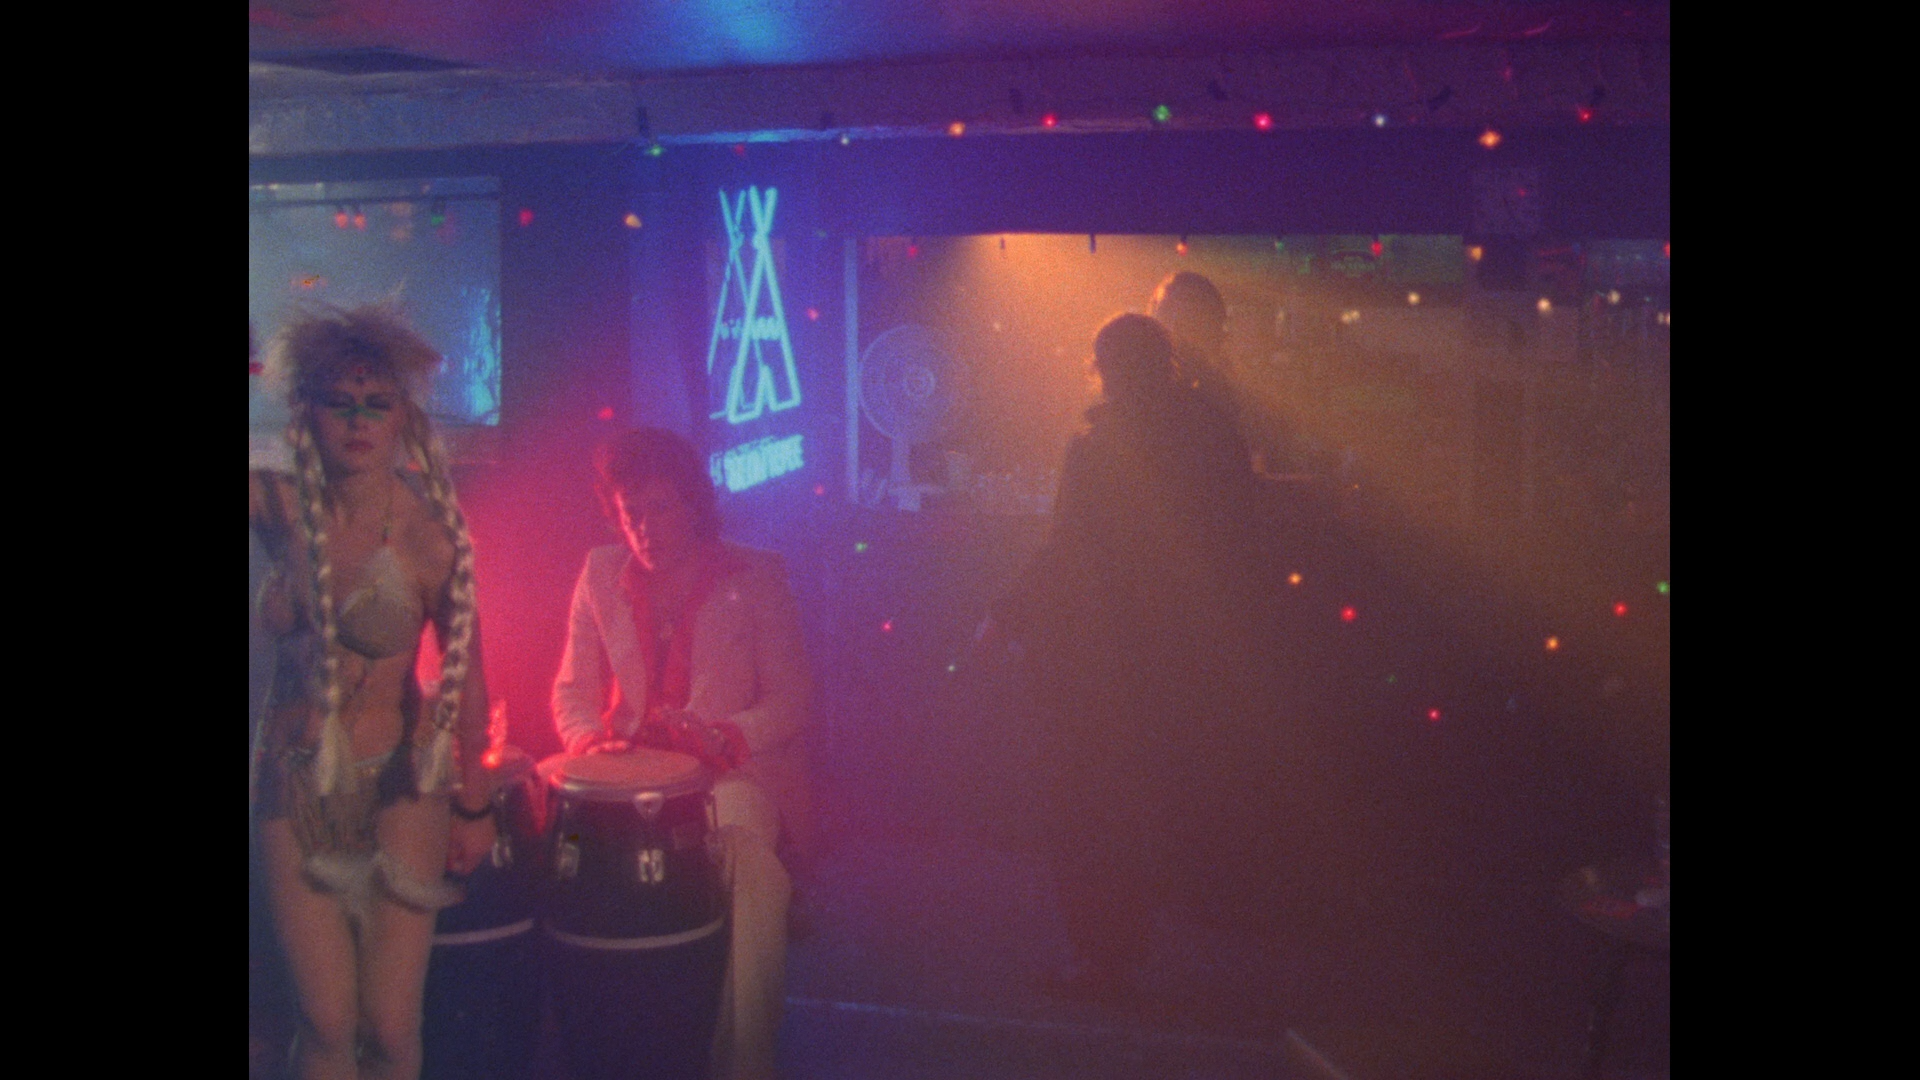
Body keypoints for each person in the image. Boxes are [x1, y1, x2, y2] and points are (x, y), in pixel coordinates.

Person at [250, 304, 499, 1080]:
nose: (358, 423)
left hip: (402, 786)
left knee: (389, 1025)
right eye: (339, 403)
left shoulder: (431, 535)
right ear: (307, 413)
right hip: (295, 782)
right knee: (326, 1019)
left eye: (376, 404)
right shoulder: (277, 505)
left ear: (403, 418)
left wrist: (475, 804)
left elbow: (470, 677)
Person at [991, 314, 1264, 1003]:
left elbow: (1067, 550)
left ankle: (1104, 958)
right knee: (1179, 794)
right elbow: (1241, 537)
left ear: (1105, 367)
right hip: (1191, 650)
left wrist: (1006, 613)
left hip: (1108, 656)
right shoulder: (1214, 434)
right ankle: (1212, 947)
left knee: (1091, 808)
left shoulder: (1099, 448)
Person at [553, 427, 812, 1080]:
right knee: (533, 820)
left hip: (732, 772)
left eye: (660, 508)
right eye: (630, 512)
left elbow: (793, 700)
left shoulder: (757, 574)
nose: (645, 528)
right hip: (627, 774)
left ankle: (743, 1066)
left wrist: (728, 734)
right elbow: (570, 691)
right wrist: (589, 741)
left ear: (693, 504)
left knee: (747, 866)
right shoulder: (599, 571)